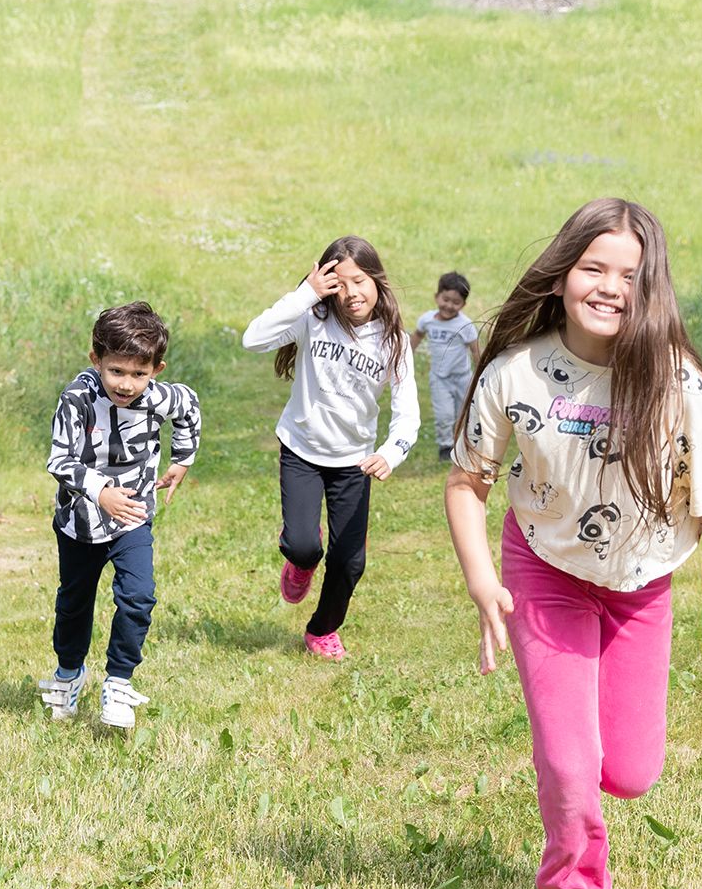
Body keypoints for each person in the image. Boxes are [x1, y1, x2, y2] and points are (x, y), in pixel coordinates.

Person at [443, 198, 702, 889]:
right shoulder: (516, 373)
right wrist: (484, 581)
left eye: (630, 273)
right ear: (562, 276)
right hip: (545, 572)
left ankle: (586, 806)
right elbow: (467, 482)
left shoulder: (678, 382)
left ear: (651, 287)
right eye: (594, 267)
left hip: (642, 584)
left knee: (629, 771)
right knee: (568, 761)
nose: (611, 286)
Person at [243, 236, 418, 660]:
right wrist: (306, 294)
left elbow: (407, 413)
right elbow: (253, 338)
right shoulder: (312, 317)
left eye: (359, 281)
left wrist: (390, 453)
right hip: (302, 450)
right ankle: (301, 562)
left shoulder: (394, 341)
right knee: (304, 545)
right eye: (338, 282)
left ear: (376, 280)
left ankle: (322, 629)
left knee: (349, 563)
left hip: (354, 464)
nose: (351, 292)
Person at [38, 302, 200, 728]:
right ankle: (69, 674)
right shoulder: (77, 399)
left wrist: (182, 459)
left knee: (139, 596)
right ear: (96, 360)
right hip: (79, 521)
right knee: (74, 603)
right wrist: (101, 491)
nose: (127, 384)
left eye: (139, 374)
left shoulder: (160, 395)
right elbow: (59, 460)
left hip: (132, 517)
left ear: (156, 369)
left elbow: (189, 408)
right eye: (116, 372)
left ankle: (118, 680)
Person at [411, 271, 480, 463]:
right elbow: (417, 336)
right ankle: (445, 446)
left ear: (463, 305)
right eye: (445, 299)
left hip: (463, 378)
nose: (449, 305)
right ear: (437, 296)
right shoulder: (427, 320)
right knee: (444, 415)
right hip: (439, 378)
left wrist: (480, 374)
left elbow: (475, 350)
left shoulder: (465, 325)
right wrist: (405, 358)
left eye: (455, 302)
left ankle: (462, 445)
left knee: (462, 415)